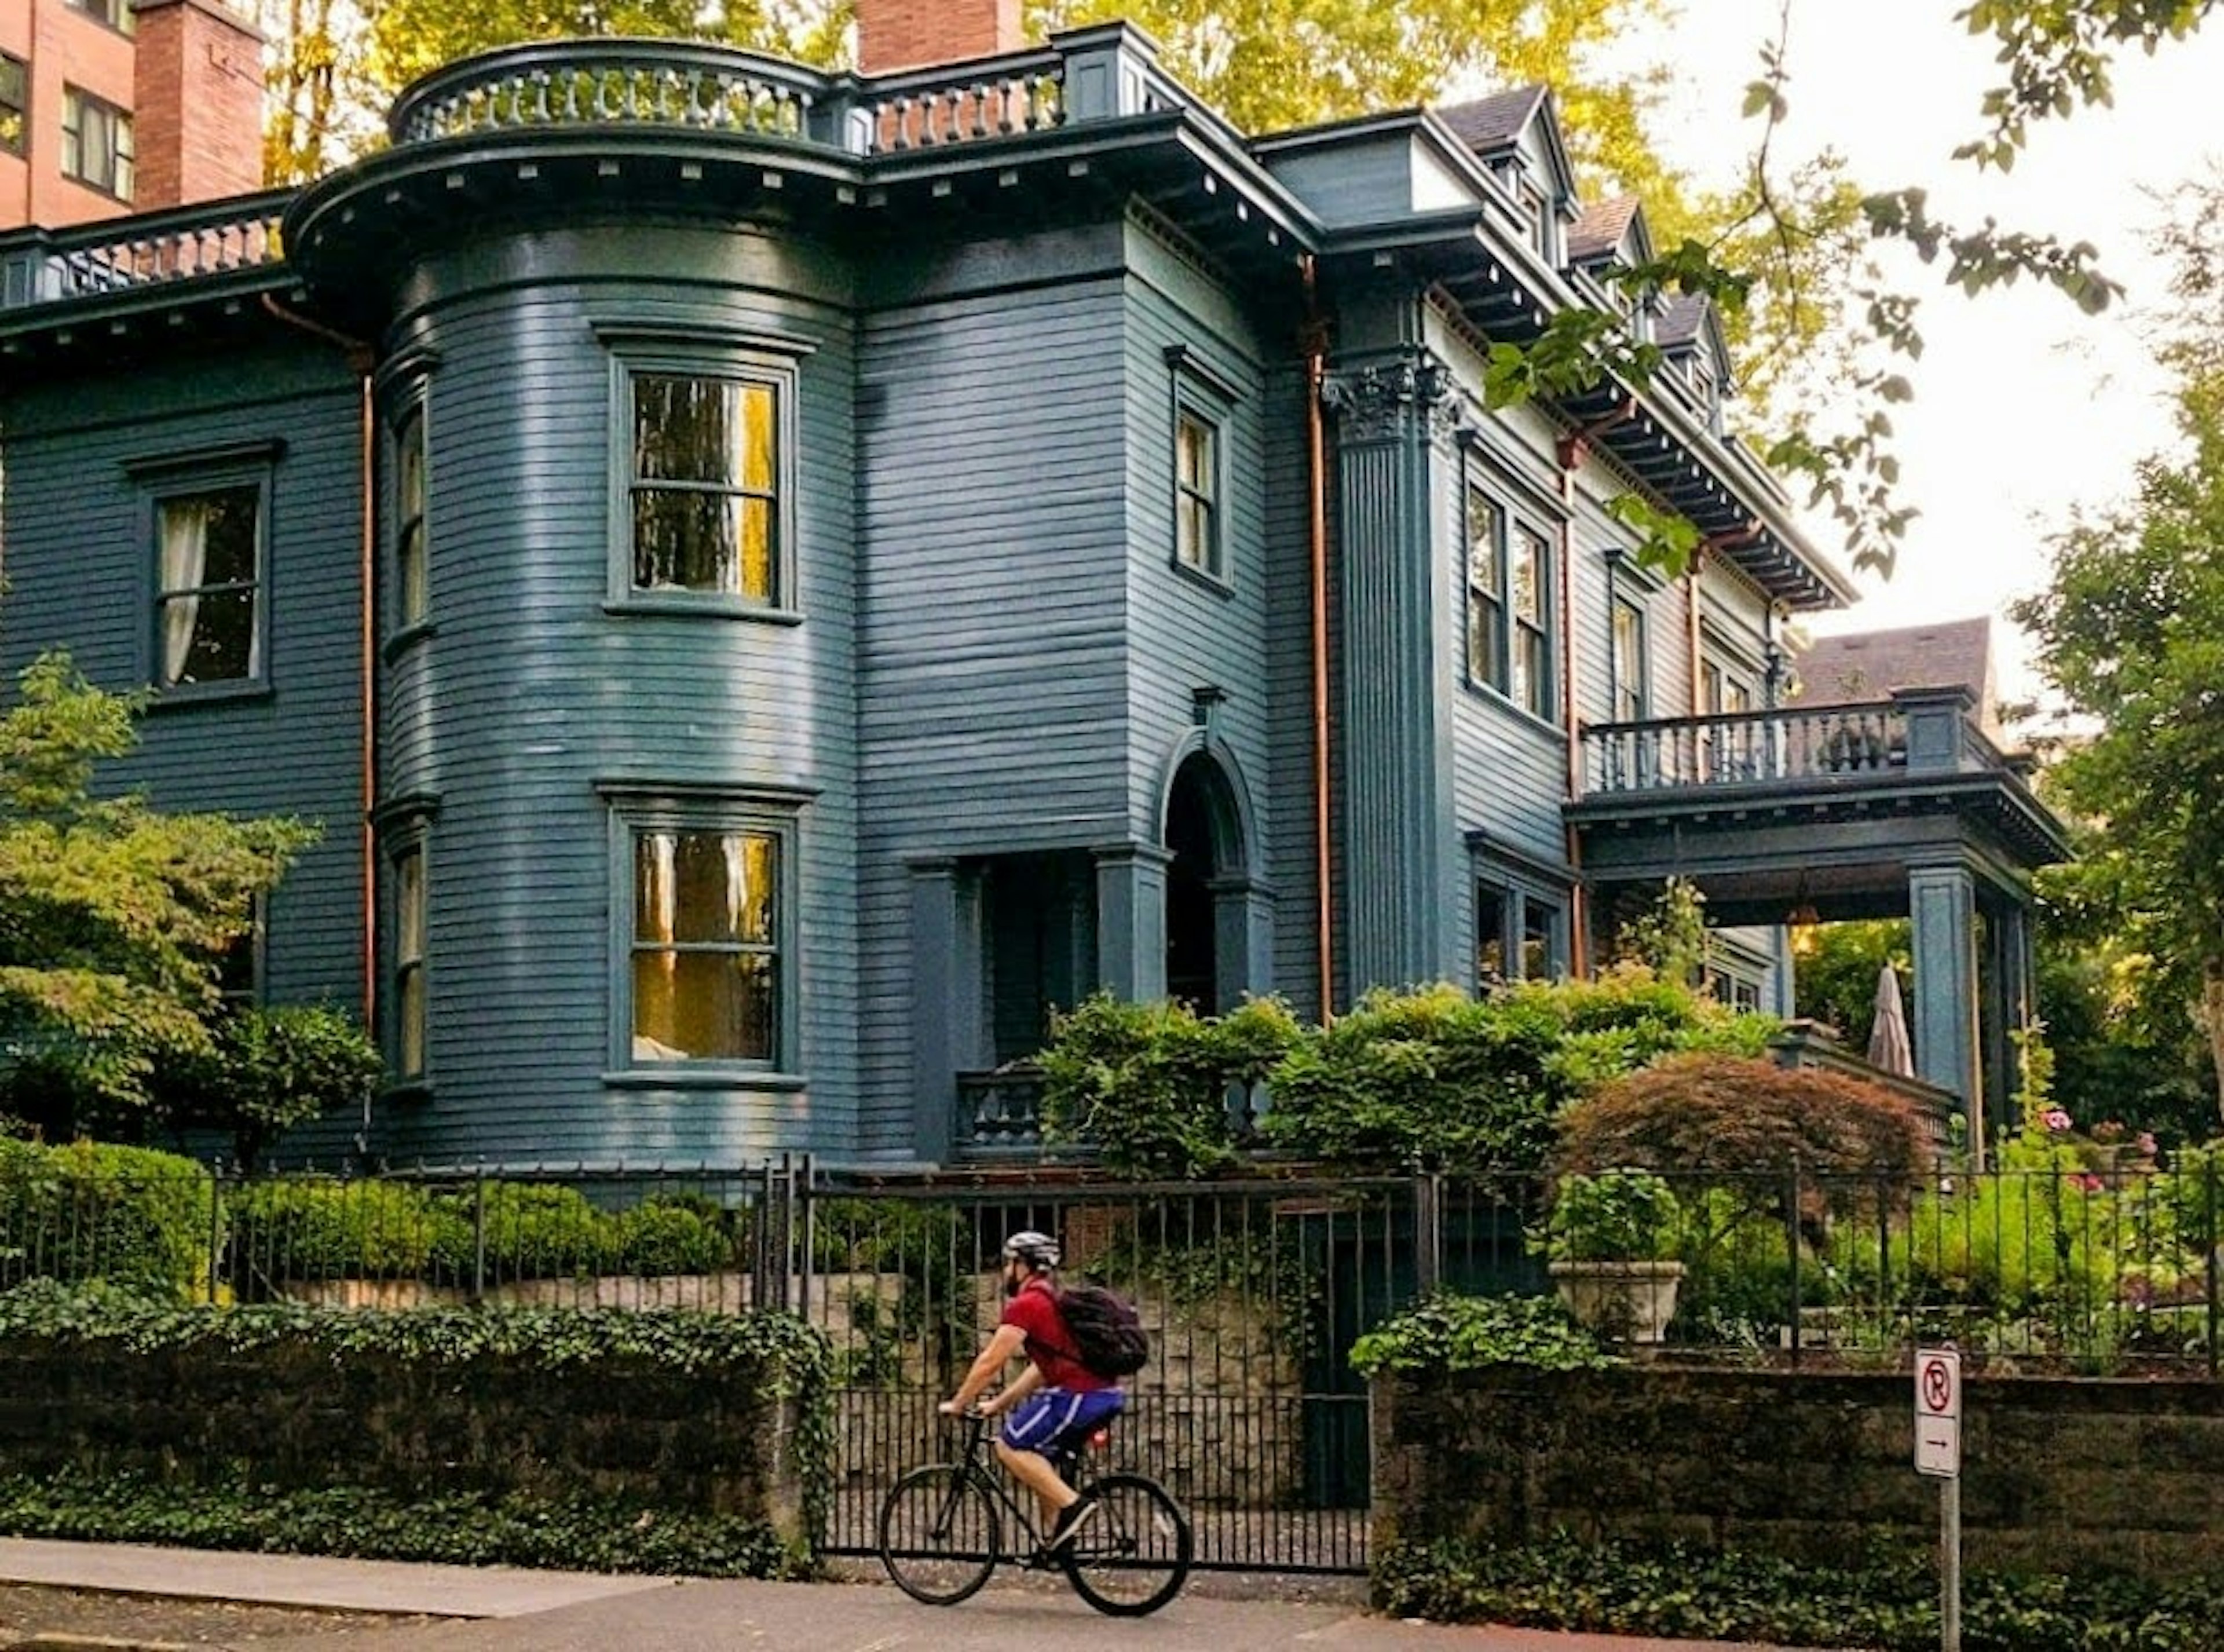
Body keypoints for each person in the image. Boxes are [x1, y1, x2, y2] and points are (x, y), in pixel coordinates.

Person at [939, 1229, 1124, 1549]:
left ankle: (1073, 1505)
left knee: (1009, 1445)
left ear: (1024, 1266)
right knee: (1037, 1456)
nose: (1006, 1271)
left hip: (1078, 1396)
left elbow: (990, 1360)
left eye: (1009, 1264)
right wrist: (998, 1403)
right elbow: (1040, 1371)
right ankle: (1056, 1542)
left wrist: (959, 1402)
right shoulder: (1053, 1300)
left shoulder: (1029, 1304)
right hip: (1100, 1395)